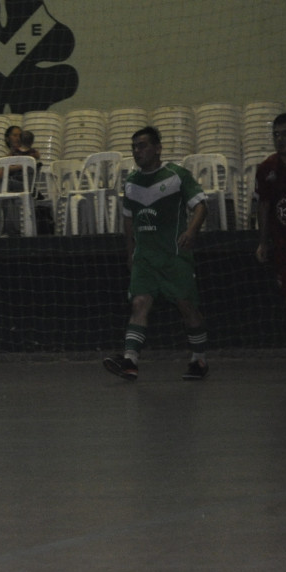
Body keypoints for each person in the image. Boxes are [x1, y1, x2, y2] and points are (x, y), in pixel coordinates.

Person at [103, 126, 209, 382]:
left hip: (174, 256)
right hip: (145, 259)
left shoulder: (177, 175)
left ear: (158, 148)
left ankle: (199, 359)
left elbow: (201, 206)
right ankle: (130, 361)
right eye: (134, 147)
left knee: (187, 307)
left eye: (142, 146)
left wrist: (191, 231)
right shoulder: (131, 182)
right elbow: (128, 221)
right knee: (139, 303)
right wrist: (130, 253)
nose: (137, 151)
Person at [253, 112, 286, 380]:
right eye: (276, 134)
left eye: (285, 134)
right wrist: (263, 242)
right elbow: (264, 206)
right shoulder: (267, 169)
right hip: (284, 245)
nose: (280, 139)